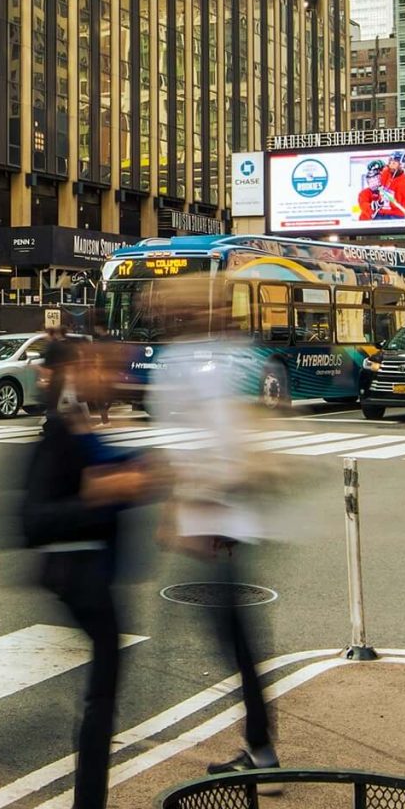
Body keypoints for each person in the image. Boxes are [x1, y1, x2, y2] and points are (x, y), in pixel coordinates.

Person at [21, 337, 158, 809]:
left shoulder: (75, 417)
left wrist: (132, 473)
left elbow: (106, 468)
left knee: (103, 685)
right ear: (78, 370)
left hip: (87, 571)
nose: (114, 374)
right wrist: (106, 491)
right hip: (76, 572)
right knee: (101, 690)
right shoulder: (60, 424)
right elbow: (32, 519)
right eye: (102, 365)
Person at [146, 277, 284, 779]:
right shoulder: (214, 357)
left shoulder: (213, 362)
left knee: (235, 639)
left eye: (170, 305)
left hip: (220, 521)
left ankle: (261, 748)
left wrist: (193, 504)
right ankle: (260, 743)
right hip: (216, 517)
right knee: (233, 638)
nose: (161, 312)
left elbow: (230, 440)